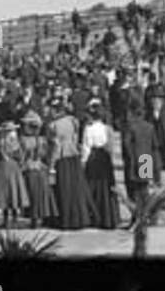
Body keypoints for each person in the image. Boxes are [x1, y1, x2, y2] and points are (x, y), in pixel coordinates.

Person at [48, 95, 94, 229]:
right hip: (73, 156)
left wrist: (51, 165)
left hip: (62, 157)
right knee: (75, 189)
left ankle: (66, 219)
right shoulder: (73, 121)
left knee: (64, 190)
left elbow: (56, 146)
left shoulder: (54, 125)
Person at [82, 99, 120, 229]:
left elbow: (86, 147)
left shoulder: (88, 128)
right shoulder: (107, 128)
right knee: (106, 187)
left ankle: (94, 216)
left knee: (93, 188)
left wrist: (83, 162)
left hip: (93, 158)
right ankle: (108, 217)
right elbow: (112, 146)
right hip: (105, 157)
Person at [121, 98, 158, 229]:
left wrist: (128, 159)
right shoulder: (150, 127)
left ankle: (135, 217)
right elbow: (154, 147)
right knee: (144, 189)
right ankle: (146, 216)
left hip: (133, 161)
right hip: (146, 159)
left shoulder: (130, 127)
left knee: (132, 191)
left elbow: (126, 145)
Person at [20, 111, 58, 228]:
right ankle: (39, 217)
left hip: (29, 169)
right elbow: (49, 154)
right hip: (40, 168)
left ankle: (33, 218)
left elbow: (22, 157)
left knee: (31, 194)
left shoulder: (24, 140)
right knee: (40, 194)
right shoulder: (42, 140)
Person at [0, 121, 29, 228]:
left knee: (4, 195)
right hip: (14, 168)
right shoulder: (16, 143)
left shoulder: (0, 143)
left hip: (3, 168)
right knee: (14, 192)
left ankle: (6, 220)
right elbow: (21, 157)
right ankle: (15, 219)